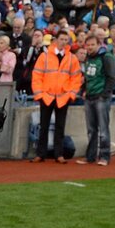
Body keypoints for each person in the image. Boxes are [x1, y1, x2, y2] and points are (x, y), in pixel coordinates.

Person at [31, 27, 82, 164]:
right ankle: (40, 154)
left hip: (63, 97)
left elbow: (76, 78)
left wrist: (71, 94)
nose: (63, 42)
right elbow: (37, 75)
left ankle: (58, 154)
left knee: (60, 127)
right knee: (44, 126)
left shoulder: (72, 58)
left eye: (66, 40)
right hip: (47, 96)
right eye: (61, 39)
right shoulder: (45, 56)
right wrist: (39, 94)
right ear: (55, 40)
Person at [76, 33, 115, 166]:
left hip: (101, 97)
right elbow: (88, 77)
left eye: (92, 44)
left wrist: (105, 94)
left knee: (103, 129)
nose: (90, 47)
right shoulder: (88, 58)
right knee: (91, 129)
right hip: (89, 96)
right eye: (88, 45)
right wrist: (83, 90)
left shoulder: (107, 57)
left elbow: (111, 77)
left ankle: (104, 156)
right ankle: (90, 156)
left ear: (99, 45)